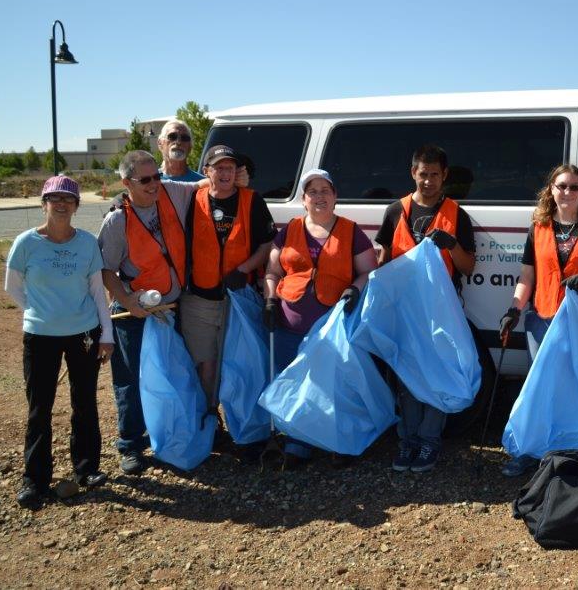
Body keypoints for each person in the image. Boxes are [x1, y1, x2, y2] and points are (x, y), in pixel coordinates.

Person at [98, 150, 220, 475]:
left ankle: (165, 433)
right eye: (146, 179)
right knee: (131, 379)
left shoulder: (171, 192)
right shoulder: (117, 220)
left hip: (171, 308)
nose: (155, 184)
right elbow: (106, 269)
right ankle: (130, 445)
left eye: (157, 176)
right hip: (136, 313)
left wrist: (235, 177)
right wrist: (126, 299)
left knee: (171, 374)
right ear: (126, 183)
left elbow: (208, 184)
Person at [498, 164, 578, 477]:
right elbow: (527, 275)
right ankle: (530, 450)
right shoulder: (538, 227)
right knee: (541, 387)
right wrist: (513, 308)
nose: (567, 192)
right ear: (551, 189)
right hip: (542, 317)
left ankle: (577, 451)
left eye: (574, 187)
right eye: (561, 186)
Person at [5, 176, 114, 509]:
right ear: (44, 204)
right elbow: (12, 287)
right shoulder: (26, 243)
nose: (62, 204)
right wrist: (40, 312)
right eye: (55, 199)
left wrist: (106, 335)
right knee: (40, 408)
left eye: (68, 199)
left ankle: (87, 469)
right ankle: (34, 479)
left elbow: (98, 292)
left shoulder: (86, 244)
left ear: (77, 206)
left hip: (83, 333)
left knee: (84, 402)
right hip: (40, 337)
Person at [262, 168, 377, 466]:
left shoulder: (351, 231)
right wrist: (270, 299)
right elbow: (273, 271)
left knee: (334, 386)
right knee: (297, 385)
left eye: (325, 190)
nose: (319, 196)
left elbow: (368, 271)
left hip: (331, 326)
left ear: (336, 196)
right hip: (289, 324)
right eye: (312, 191)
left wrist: (355, 288)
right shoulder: (289, 229)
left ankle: (338, 442)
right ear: (303, 199)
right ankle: (299, 443)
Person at [375, 145, 476, 473]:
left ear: (444, 175)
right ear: (412, 174)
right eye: (423, 174)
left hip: (440, 312)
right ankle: (408, 440)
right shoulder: (395, 211)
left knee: (437, 374)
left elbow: (468, 266)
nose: (428, 181)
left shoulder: (457, 213)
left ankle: (429, 441)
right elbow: (383, 261)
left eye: (435, 175)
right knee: (406, 377)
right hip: (405, 311)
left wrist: (453, 246)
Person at [182, 144, 275, 407]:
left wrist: (244, 269)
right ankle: (210, 419)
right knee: (206, 366)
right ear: (206, 171)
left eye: (230, 168)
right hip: (200, 300)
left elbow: (267, 245)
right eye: (219, 167)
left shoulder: (252, 200)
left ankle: (241, 424)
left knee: (239, 364)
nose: (225, 173)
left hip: (239, 298)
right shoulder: (192, 200)